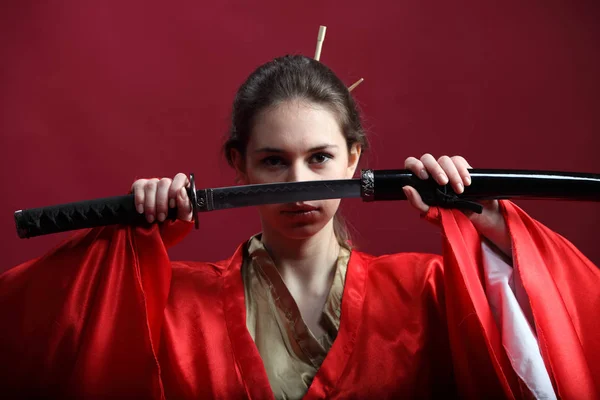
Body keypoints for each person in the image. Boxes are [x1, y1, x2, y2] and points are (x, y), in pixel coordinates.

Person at [1, 55, 599, 399]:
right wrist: (127, 245)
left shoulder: (434, 290)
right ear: (237, 165)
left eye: (319, 158)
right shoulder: (168, 300)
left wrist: (487, 224)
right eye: (273, 161)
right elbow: (50, 333)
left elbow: (548, 343)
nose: (300, 182)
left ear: (354, 160)